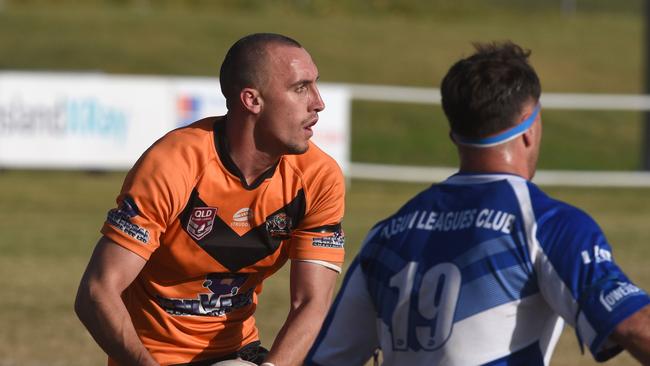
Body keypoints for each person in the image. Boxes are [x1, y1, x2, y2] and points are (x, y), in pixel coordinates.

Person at [306, 42, 650, 365]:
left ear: (454, 131)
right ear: (530, 126)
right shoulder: (546, 223)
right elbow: (634, 326)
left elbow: (329, 357)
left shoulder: (385, 235)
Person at [75, 33, 346, 366]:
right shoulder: (174, 164)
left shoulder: (319, 178)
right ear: (252, 100)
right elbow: (97, 292)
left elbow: (311, 303)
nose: (318, 102)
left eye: (315, 85)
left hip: (238, 354)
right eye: (300, 88)